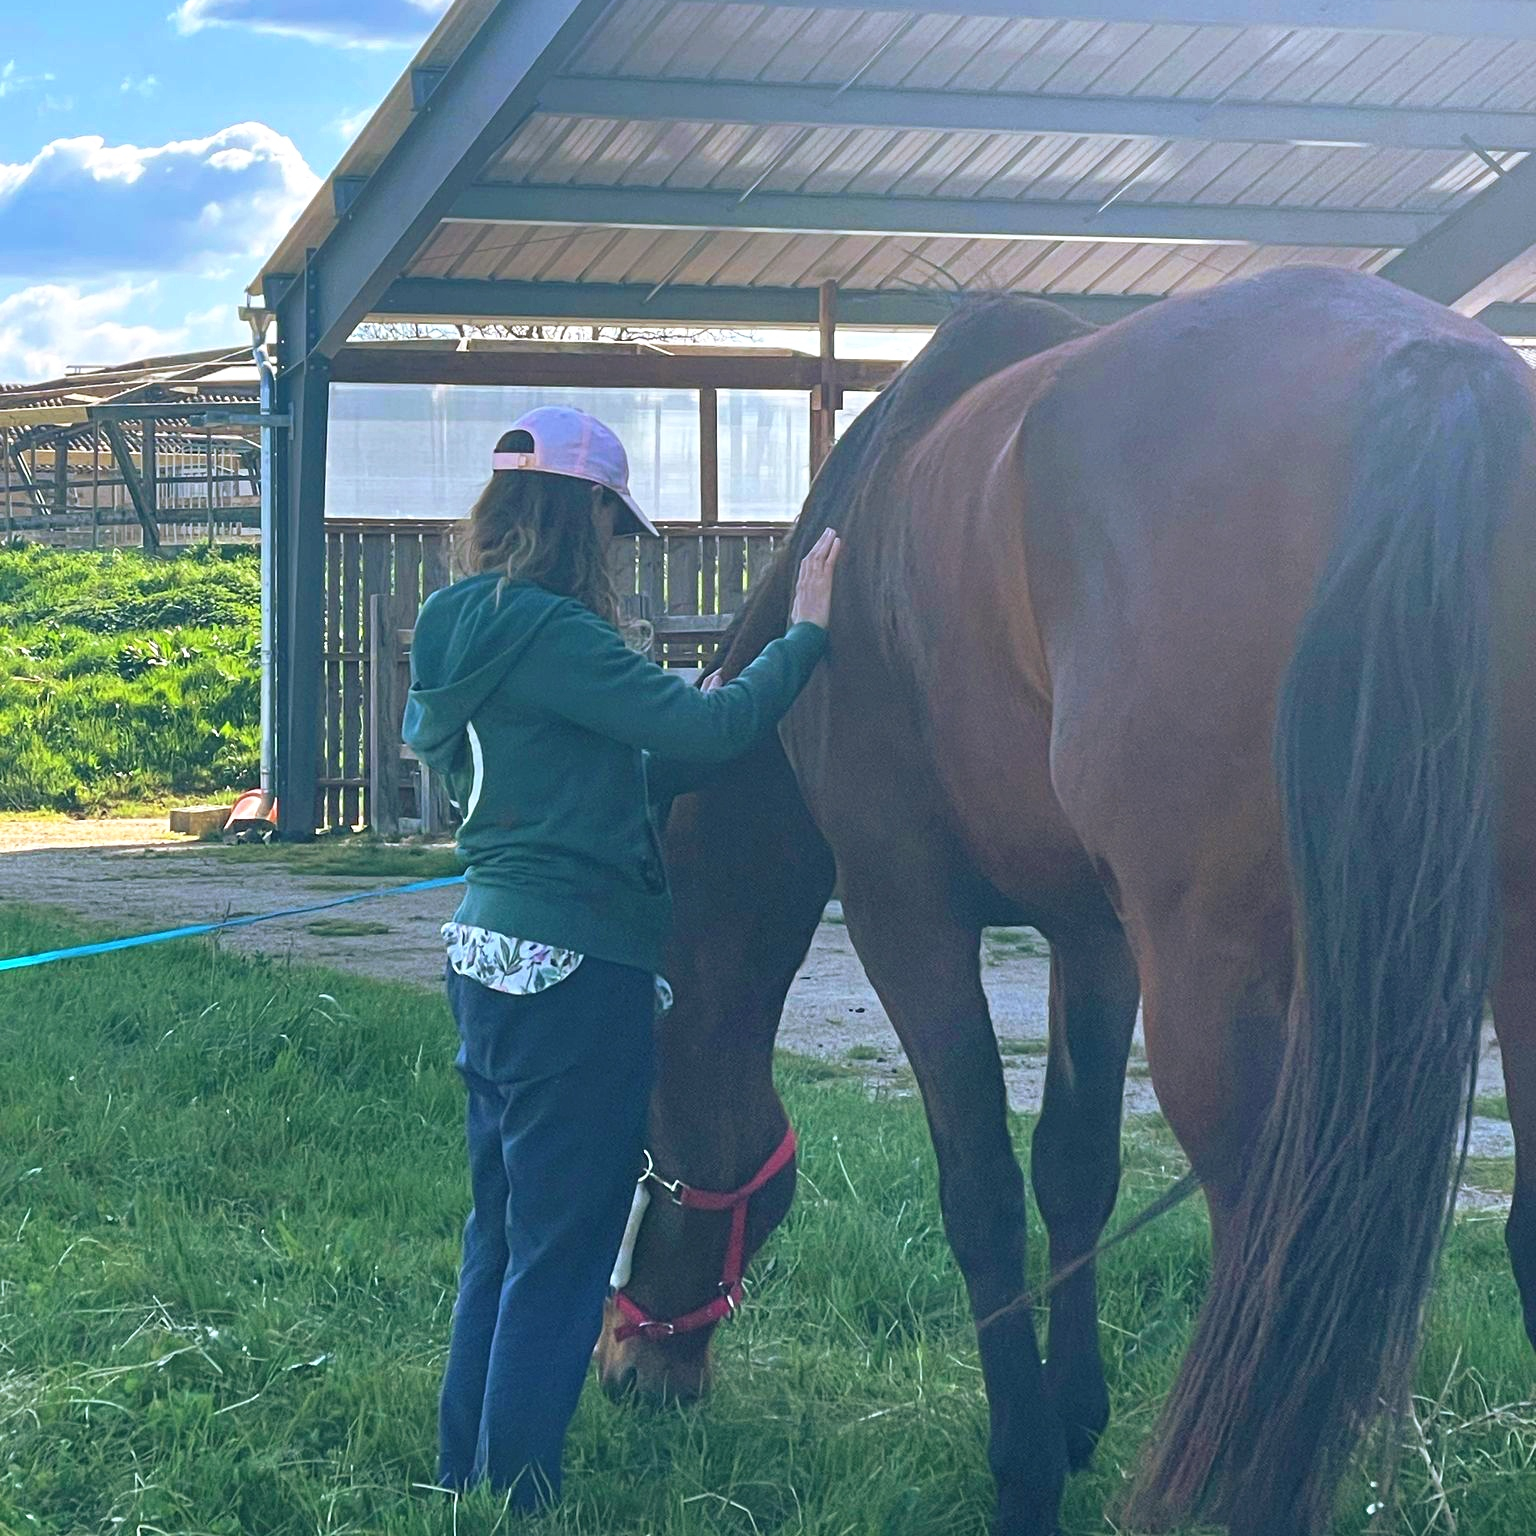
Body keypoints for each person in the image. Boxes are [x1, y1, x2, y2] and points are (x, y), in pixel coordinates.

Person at [403, 405, 840, 1509]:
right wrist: (807, 635)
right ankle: (522, 1495)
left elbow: (578, 787)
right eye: (611, 524)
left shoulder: (454, 627)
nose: (612, 548)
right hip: (577, 971)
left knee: (500, 1235)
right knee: (563, 1249)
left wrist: (656, 748)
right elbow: (713, 733)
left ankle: (466, 1477)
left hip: (483, 956)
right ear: (584, 512)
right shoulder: (557, 634)